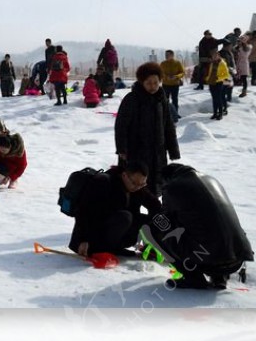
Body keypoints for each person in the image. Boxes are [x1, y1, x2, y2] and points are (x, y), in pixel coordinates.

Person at [68, 160, 162, 257]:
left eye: (142, 184)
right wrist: (83, 240)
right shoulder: (102, 182)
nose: (138, 187)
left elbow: (155, 205)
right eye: (134, 183)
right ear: (124, 175)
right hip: (88, 239)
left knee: (150, 220)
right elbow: (83, 212)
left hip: (115, 230)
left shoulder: (137, 187)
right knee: (125, 217)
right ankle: (104, 249)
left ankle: (146, 247)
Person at [114, 62, 180, 194]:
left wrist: (173, 150)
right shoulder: (132, 99)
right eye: (149, 83)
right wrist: (122, 149)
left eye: (156, 82)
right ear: (141, 82)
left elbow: (168, 126)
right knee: (134, 191)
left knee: (155, 189)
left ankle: (154, 214)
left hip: (158, 153)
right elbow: (121, 126)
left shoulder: (162, 100)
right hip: (135, 153)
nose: (153, 86)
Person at [204, 50, 231, 120]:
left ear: (219, 55)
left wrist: (218, 78)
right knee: (214, 98)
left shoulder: (222, 63)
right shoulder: (212, 63)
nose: (214, 57)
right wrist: (208, 78)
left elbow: (226, 75)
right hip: (211, 82)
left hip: (219, 83)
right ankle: (215, 113)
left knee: (218, 98)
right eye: (213, 56)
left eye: (216, 55)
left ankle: (220, 113)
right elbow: (210, 72)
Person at [159, 50, 185, 121]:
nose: (166, 56)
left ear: (172, 55)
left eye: (168, 55)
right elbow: (160, 73)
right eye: (165, 54)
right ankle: (165, 114)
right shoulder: (163, 63)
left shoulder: (177, 63)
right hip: (165, 84)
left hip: (175, 85)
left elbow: (182, 72)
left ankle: (175, 114)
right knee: (165, 100)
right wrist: (166, 77)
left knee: (175, 100)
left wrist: (176, 76)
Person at [234, 34, 253, 99]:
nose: (239, 42)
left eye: (240, 41)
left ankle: (244, 91)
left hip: (244, 64)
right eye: (238, 41)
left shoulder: (246, 48)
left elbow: (244, 55)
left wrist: (239, 49)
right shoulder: (238, 48)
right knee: (241, 78)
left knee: (244, 78)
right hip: (238, 64)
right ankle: (243, 90)